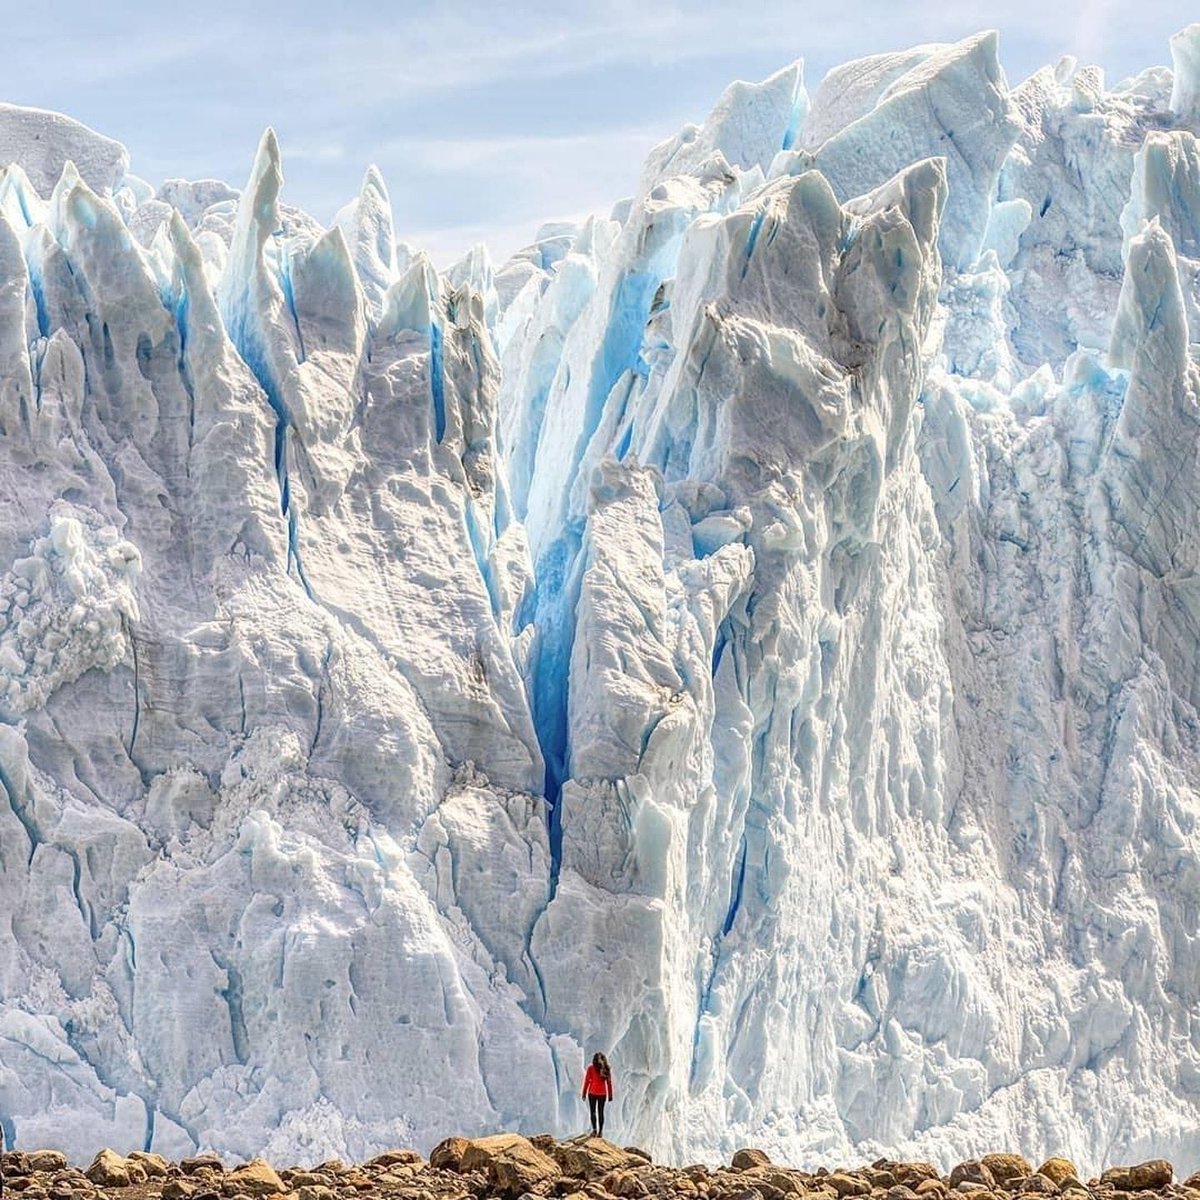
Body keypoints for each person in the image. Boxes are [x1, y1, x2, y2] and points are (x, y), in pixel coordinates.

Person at [581, 1052, 614, 1138]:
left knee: (593, 1112)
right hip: (602, 1094)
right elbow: (609, 1083)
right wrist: (610, 1095)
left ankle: (594, 1130)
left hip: (592, 1093)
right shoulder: (606, 1069)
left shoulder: (591, 1068)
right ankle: (600, 1132)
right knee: (601, 1112)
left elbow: (587, 1081)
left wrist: (584, 1093)